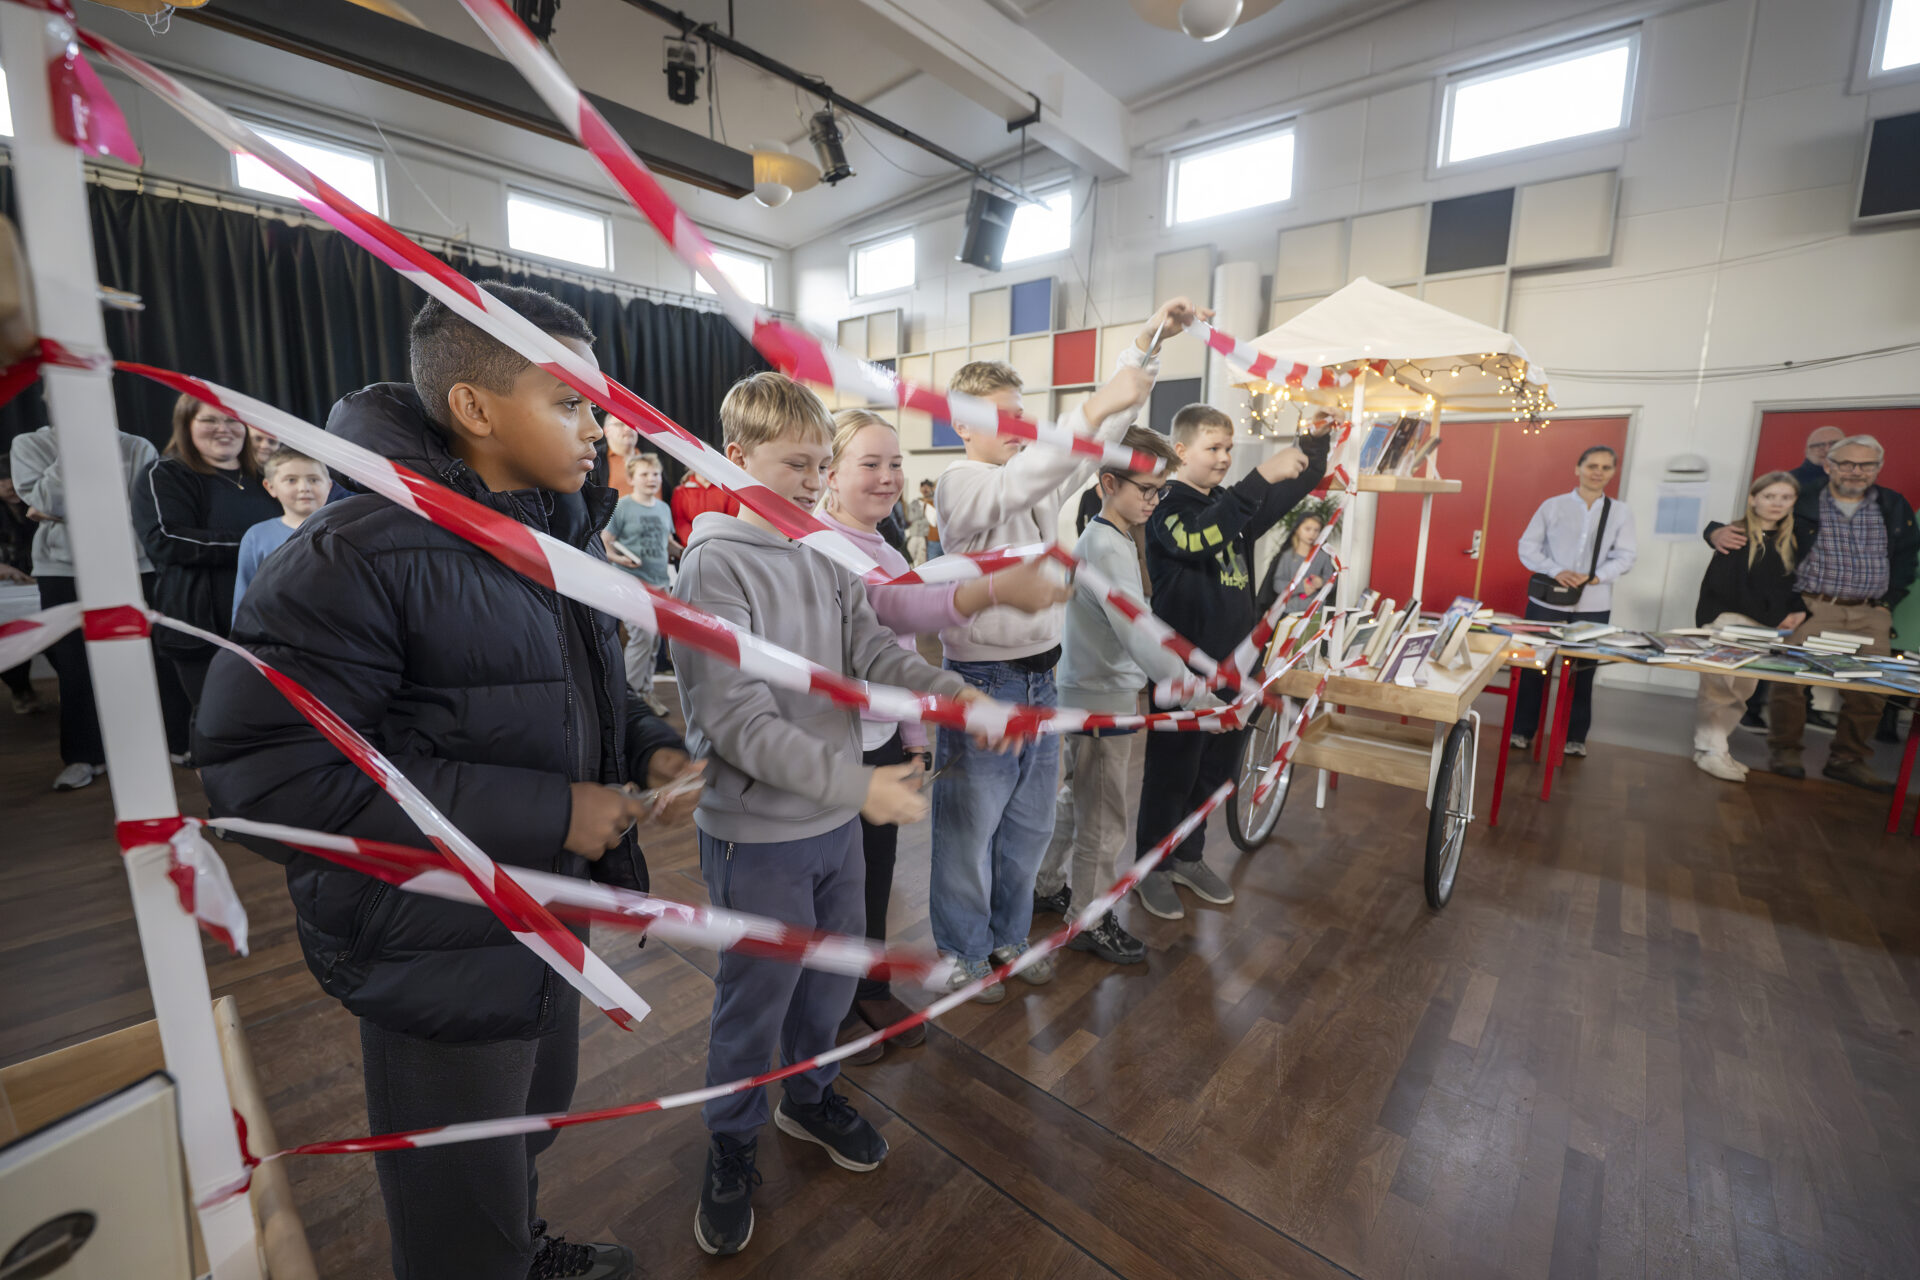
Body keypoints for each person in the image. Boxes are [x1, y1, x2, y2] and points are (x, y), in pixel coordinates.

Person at [197, 286, 699, 1280]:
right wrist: (553, 809)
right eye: (570, 402)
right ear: (475, 408)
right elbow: (268, 780)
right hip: (436, 941)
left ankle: (516, 1244)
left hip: (546, 908)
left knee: (526, 1123)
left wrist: (646, 743)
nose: (597, 429)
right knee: (454, 1191)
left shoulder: (549, 537)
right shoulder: (352, 554)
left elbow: (574, 689)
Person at [671, 373, 990, 1258]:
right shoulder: (712, 564)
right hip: (758, 834)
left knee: (832, 981)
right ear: (737, 459)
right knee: (755, 1000)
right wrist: (856, 785)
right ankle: (732, 1144)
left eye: (822, 465)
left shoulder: (822, 550)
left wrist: (950, 691)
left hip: (834, 827)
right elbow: (736, 722)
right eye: (797, 465)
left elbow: (873, 651)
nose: (815, 483)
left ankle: (808, 1099)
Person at [928, 300, 1175, 998]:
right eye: (1000, 417)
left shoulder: (1034, 481)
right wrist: (1098, 402)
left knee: (1029, 828)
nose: (1017, 427)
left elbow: (1100, 441)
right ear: (962, 425)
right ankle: (963, 950)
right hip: (984, 681)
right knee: (969, 830)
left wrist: (1144, 347)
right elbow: (1024, 479)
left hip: (1042, 681)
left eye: (1021, 414)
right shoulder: (961, 482)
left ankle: (1009, 937)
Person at [818, 408, 1068, 1062]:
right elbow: (896, 612)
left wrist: (914, 734)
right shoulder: (823, 544)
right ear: (830, 474)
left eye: (895, 463)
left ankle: (868, 986)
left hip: (882, 737)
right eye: (869, 464)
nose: (887, 477)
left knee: (873, 879)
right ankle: (829, 1009)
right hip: (834, 746)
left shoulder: (884, 545)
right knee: (837, 888)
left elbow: (895, 650)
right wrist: (988, 592)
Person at [1134, 404, 1329, 920]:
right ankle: (1152, 867)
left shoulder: (1229, 503)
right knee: (1171, 773)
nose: (1224, 458)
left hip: (1234, 670)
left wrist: (1314, 441)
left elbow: (1295, 485)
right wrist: (1259, 476)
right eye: (1213, 448)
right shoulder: (1166, 505)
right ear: (1181, 451)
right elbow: (1198, 540)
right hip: (1183, 672)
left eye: (1229, 448)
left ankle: (1188, 857)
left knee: (1213, 771)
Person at [1040, 425, 1206, 962]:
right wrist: (1190, 691)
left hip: (1089, 689)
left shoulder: (1107, 537)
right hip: (1100, 696)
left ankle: (1044, 883)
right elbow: (1137, 629)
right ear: (1109, 483)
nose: (1154, 501)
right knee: (1104, 815)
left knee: (1078, 797)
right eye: (1147, 490)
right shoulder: (1108, 545)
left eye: (1161, 491)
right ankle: (1088, 919)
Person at [1709, 434, 1918, 789]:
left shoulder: (1893, 504)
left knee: (1872, 687)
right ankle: (1785, 752)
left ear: (1878, 467)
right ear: (1829, 466)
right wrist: (1714, 532)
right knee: (1791, 682)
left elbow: (1907, 556)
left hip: (1870, 613)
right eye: (1847, 463)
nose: (1856, 471)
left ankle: (1847, 759)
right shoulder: (1802, 498)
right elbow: (1753, 523)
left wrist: (1887, 603)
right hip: (1812, 606)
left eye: (1866, 465)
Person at [13, 421, 200, 787]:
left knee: (162, 654)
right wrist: (74, 451)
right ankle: (84, 756)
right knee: (74, 662)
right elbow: (44, 502)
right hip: (64, 568)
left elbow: (143, 506)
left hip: (136, 563)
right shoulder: (30, 444)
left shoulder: (136, 445)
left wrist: (57, 511)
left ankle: (180, 741)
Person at [132, 394, 281, 715]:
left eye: (231, 420)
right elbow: (166, 540)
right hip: (202, 630)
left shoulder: (264, 478)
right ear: (186, 425)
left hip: (269, 626)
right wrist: (258, 545)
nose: (223, 429)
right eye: (209, 420)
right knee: (217, 722)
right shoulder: (165, 473)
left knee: (269, 721)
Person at [1509, 445, 1637, 757]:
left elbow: (1626, 556)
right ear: (1577, 468)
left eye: (1605, 467)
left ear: (1612, 472)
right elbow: (1528, 546)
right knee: (1533, 666)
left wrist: (1596, 577)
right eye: (1592, 465)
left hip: (1594, 604)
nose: (1598, 472)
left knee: (1583, 671)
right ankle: (1521, 730)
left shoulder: (1620, 512)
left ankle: (1574, 737)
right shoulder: (1552, 506)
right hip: (1547, 602)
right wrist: (1556, 570)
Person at [1691, 473, 1809, 782]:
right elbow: (1727, 588)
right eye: (1769, 496)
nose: (1777, 503)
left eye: (1785, 497)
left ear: (1794, 502)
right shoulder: (1735, 535)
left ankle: (1717, 748)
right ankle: (1710, 750)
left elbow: (1788, 586)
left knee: (1742, 692)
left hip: (1763, 628)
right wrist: (1775, 615)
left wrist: (1794, 610)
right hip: (1728, 621)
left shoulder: (1790, 540)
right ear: (1753, 499)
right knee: (1718, 689)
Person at [602, 450, 675, 713]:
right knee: (642, 637)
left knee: (653, 641)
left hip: (660, 583)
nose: (651, 479)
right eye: (645, 474)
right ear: (632, 479)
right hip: (632, 583)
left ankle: (645, 694)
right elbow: (606, 541)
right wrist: (618, 559)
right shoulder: (622, 506)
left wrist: (691, 549)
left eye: (655, 474)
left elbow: (668, 542)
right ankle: (630, 702)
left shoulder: (663, 508)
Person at [231, 445, 331, 624]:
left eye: (314, 479)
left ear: (329, 486)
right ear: (270, 487)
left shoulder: (345, 532)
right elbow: (244, 599)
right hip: (277, 633)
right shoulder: (257, 536)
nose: (304, 488)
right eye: (291, 480)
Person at [0, 452, 41, 714]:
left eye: (12, 477)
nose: (9, 485)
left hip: (44, 582)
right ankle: (21, 689)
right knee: (8, 638)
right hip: (8, 592)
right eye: (2, 479)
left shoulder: (44, 503)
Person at [1254, 511, 1336, 618]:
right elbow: (1277, 585)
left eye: (1316, 530)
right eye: (1307, 529)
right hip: (1289, 611)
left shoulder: (1323, 556)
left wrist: (1321, 582)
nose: (1312, 534)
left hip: (1315, 612)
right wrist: (1300, 586)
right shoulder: (1287, 556)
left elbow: (1332, 582)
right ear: (1297, 530)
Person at [669, 464, 738, 546]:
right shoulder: (680, 492)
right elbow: (680, 522)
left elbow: (732, 520)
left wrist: (717, 542)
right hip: (692, 545)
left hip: (722, 544)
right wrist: (696, 541)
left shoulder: (728, 491)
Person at [1791, 425, 1844, 491]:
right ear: (1806, 451)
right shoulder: (1790, 481)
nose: (1827, 450)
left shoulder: (1855, 475)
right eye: (1819, 445)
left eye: (1834, 444)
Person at [906, 478, 932, 564]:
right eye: (923, 487)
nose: (925, 489)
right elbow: (910, 518)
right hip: (913, 535)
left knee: (922, 561)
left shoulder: (933, 503)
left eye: (927, 487)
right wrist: (923, 512)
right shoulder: (914, 503)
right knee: (908, 559)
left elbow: (932, 521)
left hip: (925, 537)